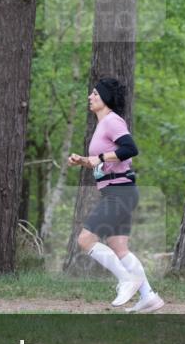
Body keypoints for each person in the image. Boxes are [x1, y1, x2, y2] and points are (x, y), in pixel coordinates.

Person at [69, 78, 164, 313]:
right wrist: (84, 161)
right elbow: (104, 161)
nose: (90, 97)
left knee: (85, 240)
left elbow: (130, 149)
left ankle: (126, 280)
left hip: (119, 192)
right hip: (119, 190)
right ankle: (148, 296)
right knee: (118, 246)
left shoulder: (112, 121)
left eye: (95, 94)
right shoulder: (102, 125)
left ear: (105, 98)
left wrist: (100, 158)